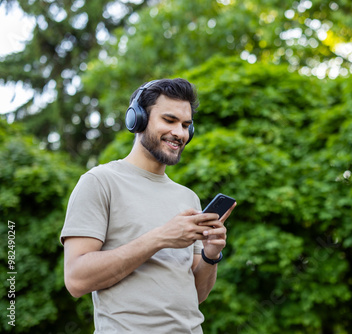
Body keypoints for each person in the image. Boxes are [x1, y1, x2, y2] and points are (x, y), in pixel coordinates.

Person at [60, 78, 236, 333]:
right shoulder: (99, 182)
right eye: (169, 120)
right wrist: (161, 237)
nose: (180, 133)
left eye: (186, 125)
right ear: (137, 120)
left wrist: (211, 254)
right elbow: (76, 280)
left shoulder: (188, 198)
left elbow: (196, 295)